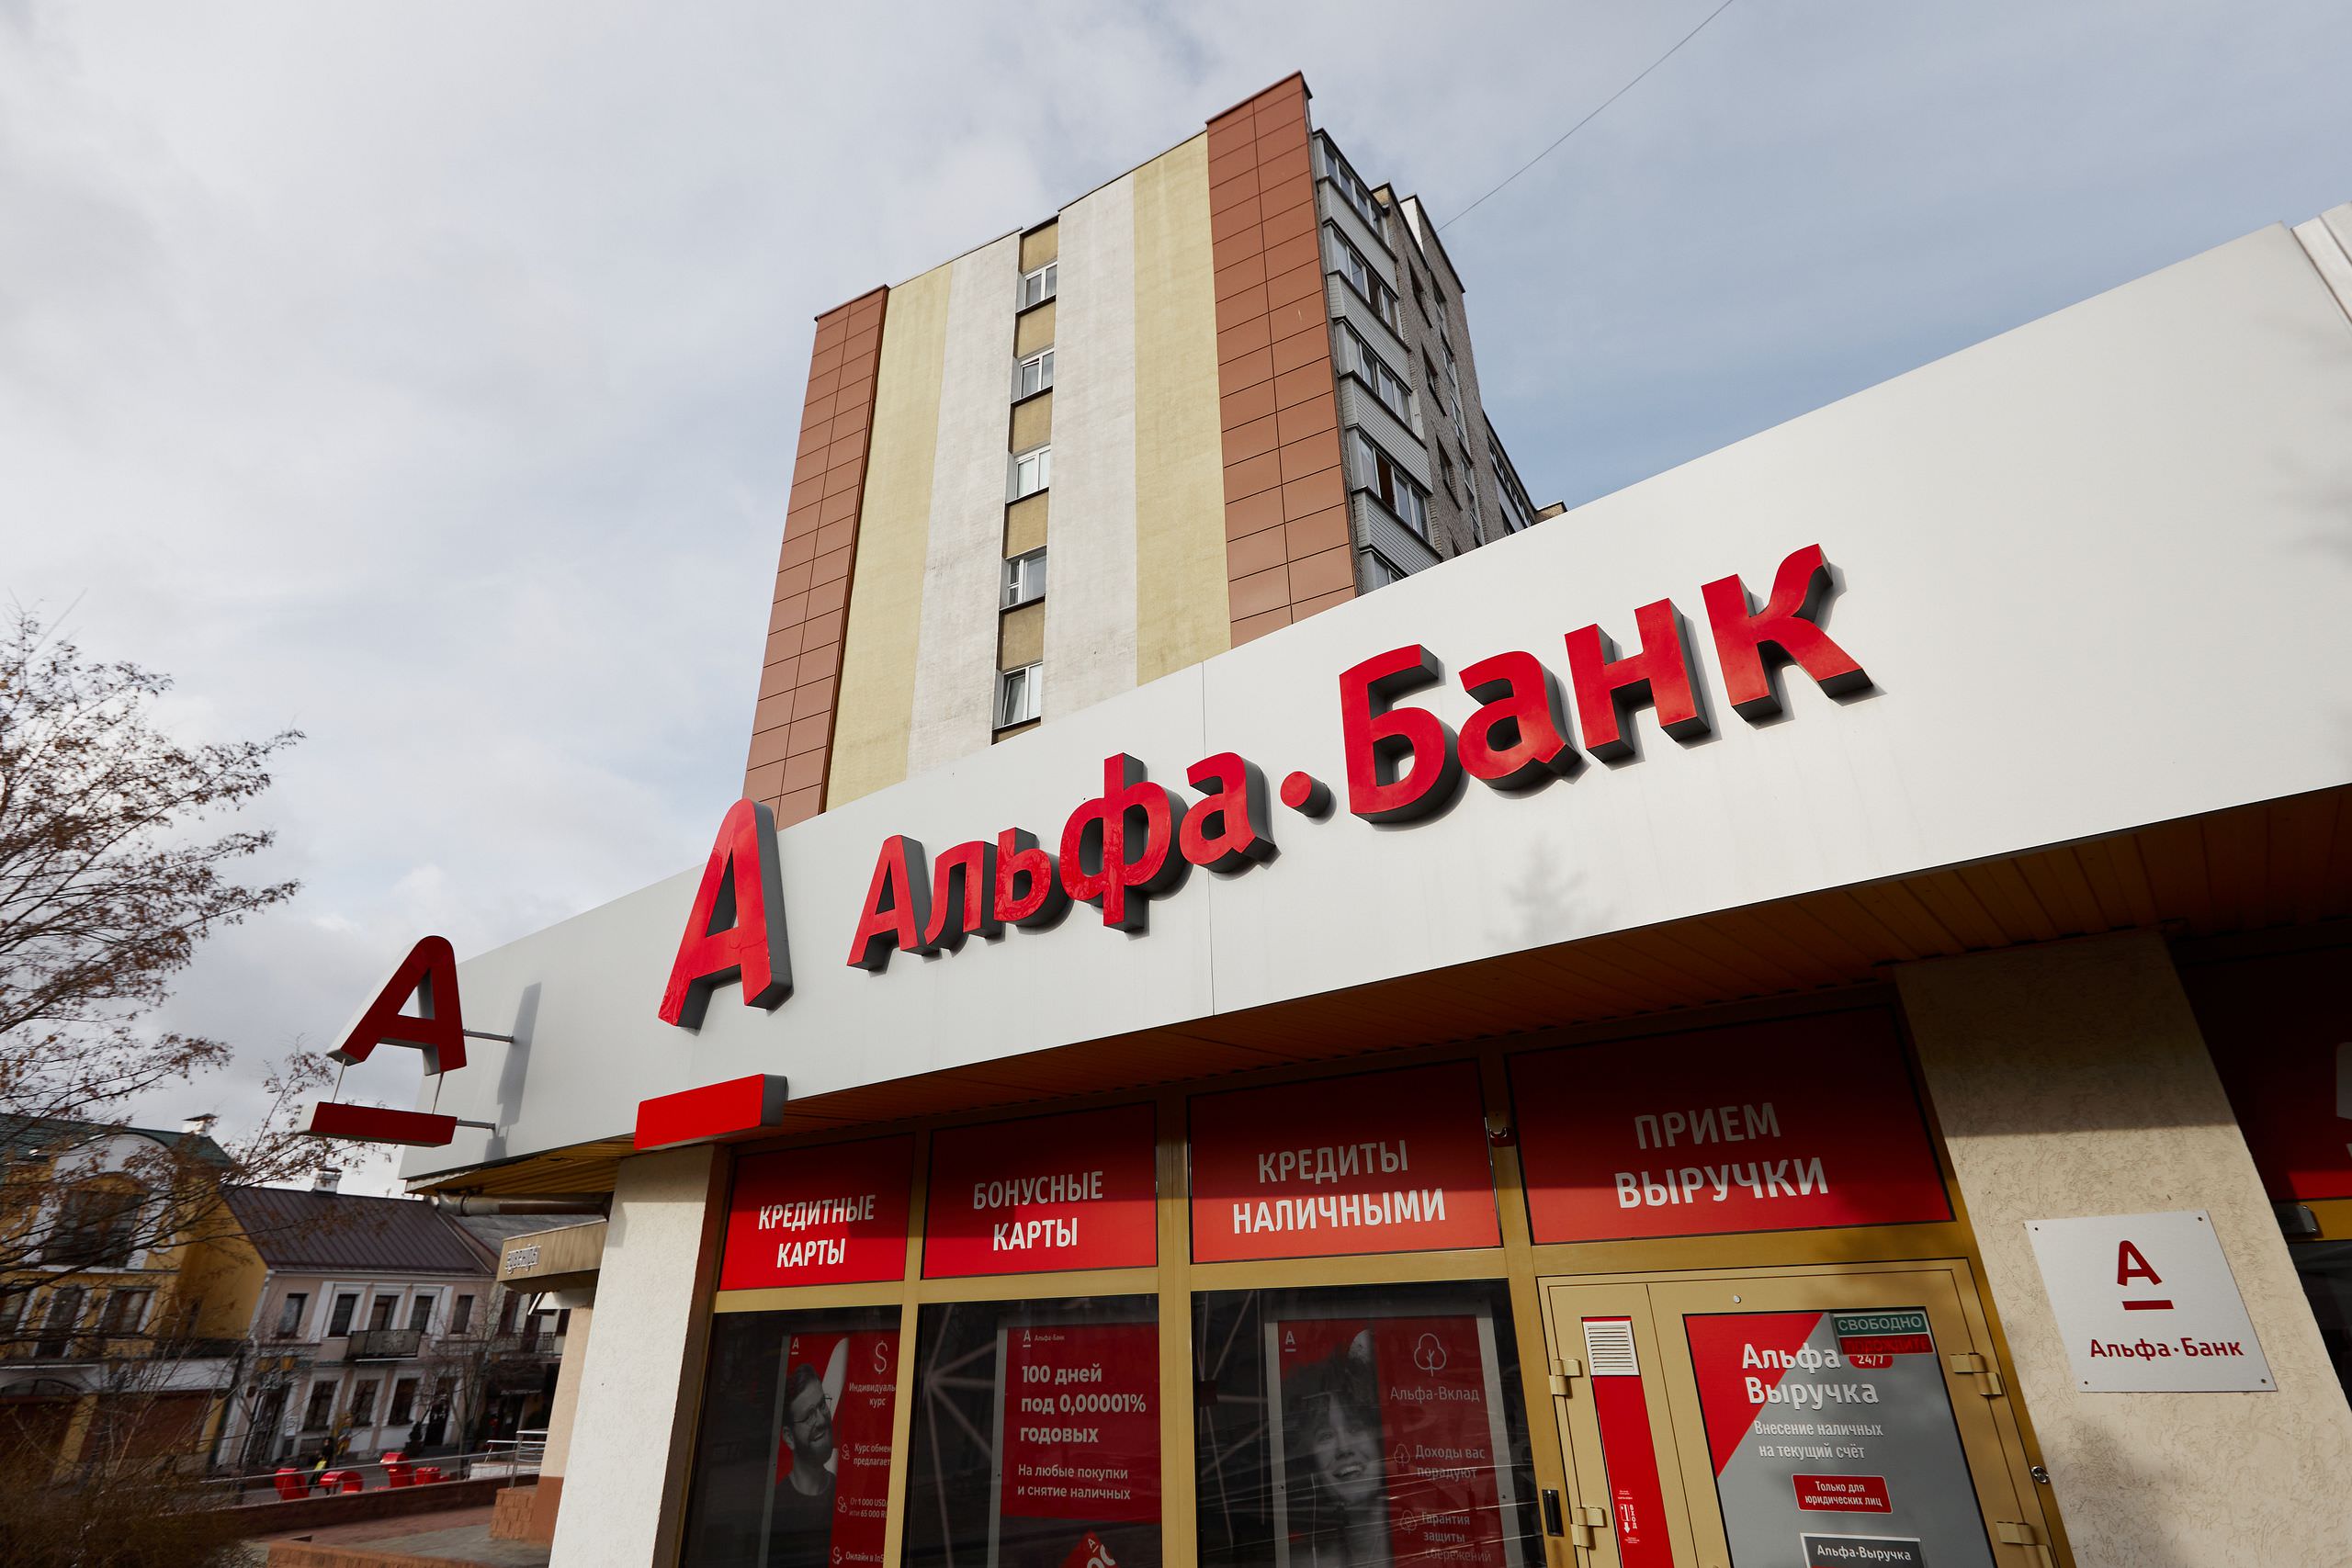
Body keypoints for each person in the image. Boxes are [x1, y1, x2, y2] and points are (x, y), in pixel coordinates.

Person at [1284, 1330, 1392, 1568]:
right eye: (1326, 1435)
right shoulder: (1303, 1562)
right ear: (1310, 1460)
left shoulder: (1431, 1540)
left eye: (1355, 1428)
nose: (1343, 1448)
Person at [767, 1360, 838, 1567]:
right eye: (808, 1416)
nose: (822, 1420)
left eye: (822, 1405)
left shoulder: (844, 1492)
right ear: (789, 1437)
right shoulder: (776, 1508)